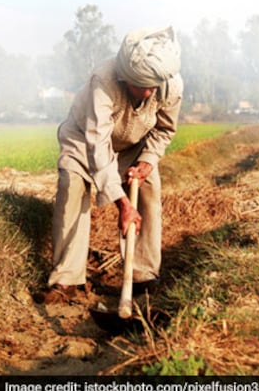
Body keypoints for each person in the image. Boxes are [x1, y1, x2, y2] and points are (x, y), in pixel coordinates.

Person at [37, 26, 183, 304]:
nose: (149, 91)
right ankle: (66, 278)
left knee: (149, 188)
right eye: (142, 85)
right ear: (126, 77)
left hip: (133, 145)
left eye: (154, 86)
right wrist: (122, 205)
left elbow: (165, 130)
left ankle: (143, 276)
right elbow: (97, 144)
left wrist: (147, 160)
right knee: (71, 188)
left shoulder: (170, 85)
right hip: (84, 140)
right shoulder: (103, 81)